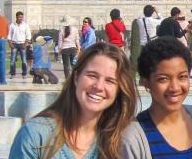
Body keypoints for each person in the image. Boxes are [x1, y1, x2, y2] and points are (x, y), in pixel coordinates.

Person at [9, 43, 138, 158]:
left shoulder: (120, 141)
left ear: (119, 90)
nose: (99, 86)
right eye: (92, 76)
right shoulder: (36, 135)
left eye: (110, 81)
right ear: (76, 78)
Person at [120, 37, 192, 158]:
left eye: (182, 77)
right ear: (146, 82)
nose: (174, 88)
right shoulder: (132, 137)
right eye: (163, 79)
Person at [7, 11, 32, 79]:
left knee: (24, 61)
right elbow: (9, 35)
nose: (21, 18)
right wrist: (10, 43)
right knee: (12, 61)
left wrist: (25, 44)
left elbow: (28, 36)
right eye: (19, 17)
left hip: (22, 44)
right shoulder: (12, 25)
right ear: (16, 17)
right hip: (14, 44)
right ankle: (12, 74)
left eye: (22, 17)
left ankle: (24, 74)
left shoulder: (25, 25)